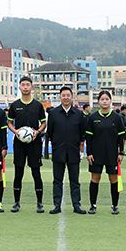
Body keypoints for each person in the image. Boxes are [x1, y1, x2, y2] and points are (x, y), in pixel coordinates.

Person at [7, 76, 47, 213]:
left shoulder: (38, 105)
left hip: (34, 143)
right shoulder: (14, 105)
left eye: (27, 85)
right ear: (19, 87)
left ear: (31, 87)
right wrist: (16, 131)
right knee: (18, 173)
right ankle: (16, 203)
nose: (25, 87)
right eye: (23, 84)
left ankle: (40, 203)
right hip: (19, 143)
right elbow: (9, 122)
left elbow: (43, 123)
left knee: (36, 172)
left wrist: (38, 132)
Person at [46, 87, 87, 215]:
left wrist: (80, 150)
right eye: (63, 95)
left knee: (75, 181)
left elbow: (82, 134)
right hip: (58, 152)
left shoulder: (78, 114)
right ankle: (56, 205)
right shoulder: (53, 113)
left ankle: (76, 205)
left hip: (74, 152)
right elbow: (50, 133)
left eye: (68, 95)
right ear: (60, 97)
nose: (66, 97)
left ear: (72, 96)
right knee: (57, 180)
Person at [85, 90, 126, 214]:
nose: (104, 101)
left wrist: (121, 152)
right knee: (95, 178)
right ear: (98, 101)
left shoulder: (117, 117)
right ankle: (93, 205)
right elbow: (89, 138)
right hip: (96, 154)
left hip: (112, 154)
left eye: (107, 99)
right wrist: (89, 153)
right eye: (102, 99)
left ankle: (115, 205)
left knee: (113, 179)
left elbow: (121, 137)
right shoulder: (92, 117)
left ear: (110, 101)